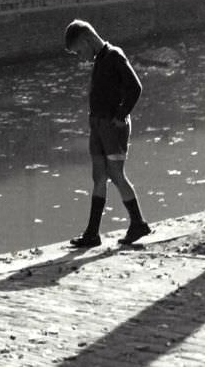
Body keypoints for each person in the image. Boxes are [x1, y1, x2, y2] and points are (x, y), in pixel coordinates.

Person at [64, 18, 151, 247]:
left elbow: (136, 87)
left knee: (115, 174)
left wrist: (121, 115)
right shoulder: (100, 59)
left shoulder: (114, 55)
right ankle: (92, 234)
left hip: (113, 126)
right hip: (98, 125)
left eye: (79, 51)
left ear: (88, 39)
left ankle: (138, 222)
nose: (81, 57)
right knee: (99, 176)